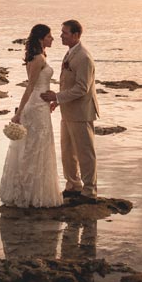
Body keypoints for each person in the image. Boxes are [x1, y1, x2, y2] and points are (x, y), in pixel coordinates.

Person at [0, 23, 61, 208]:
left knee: (36, 147)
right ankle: (30, 194)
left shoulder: (41, 57)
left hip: (41, 105)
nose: (53, 39)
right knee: (34, 148)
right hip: (35, 107)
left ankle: (34, 192)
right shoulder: (39, 58)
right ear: (42, 38)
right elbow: (30, 86)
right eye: (49, 36)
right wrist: (19, 112)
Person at [43, 18, 99, 197]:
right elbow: (68, 83)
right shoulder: (70, 53)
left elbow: (83, 87)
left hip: (81, 112)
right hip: (68, 111)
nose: (61, 36)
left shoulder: (83, 57)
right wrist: (58, 102)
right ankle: (73, 185)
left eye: (65, 33)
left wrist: (57, 96)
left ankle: (90, 191)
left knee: (85, 153)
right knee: (67, 151)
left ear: (76, 35)